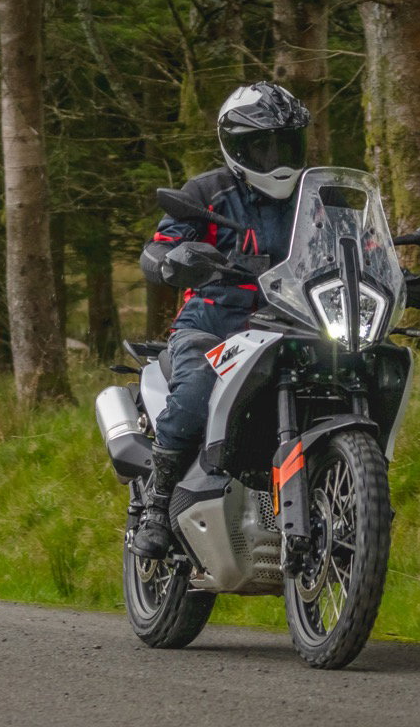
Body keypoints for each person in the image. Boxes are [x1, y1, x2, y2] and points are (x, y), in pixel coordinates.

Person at [132, 81, 311, 559]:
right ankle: (158, 501)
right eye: (262, 144)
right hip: (215, 325)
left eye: (286, 143)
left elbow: (358, 242)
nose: (277, 156)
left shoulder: (316, 195)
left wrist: (396, 269)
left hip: (298, 327)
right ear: (236, 147)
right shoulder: (207, 193)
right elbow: (159, 246)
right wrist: (171, 259)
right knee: (194, 392)